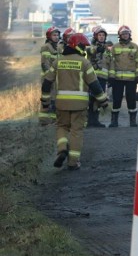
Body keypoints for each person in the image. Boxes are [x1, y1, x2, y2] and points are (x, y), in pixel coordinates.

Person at [41, 33, 109, 171]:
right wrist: (103, 102)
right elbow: (95, 85)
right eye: (83, 46)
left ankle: (61, 150)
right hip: (80, 105)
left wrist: (45, 101)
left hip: (61, 104)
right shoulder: (84, 62)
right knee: (76, 131)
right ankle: (73, 162)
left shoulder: (58, 62)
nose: (85, 49)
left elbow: (47, 83)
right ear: (77, 46)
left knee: (62, 127)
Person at [107, 25, 138, 127]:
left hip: (131, 79)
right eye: (123, 34)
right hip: (117, 79)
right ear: (120, 35)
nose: (125, 36)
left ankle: (133, 121)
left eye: (127, 34)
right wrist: (111, 76)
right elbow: (112, 63)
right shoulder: (114, 47)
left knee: (131, 99)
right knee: (116, 99)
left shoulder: (135, 47)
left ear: (129, 35)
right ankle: (114, 121)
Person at [84, 26, 109, 128]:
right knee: (91, 99)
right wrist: (98, 48)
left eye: (103, 35)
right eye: (99, 35)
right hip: (92, 78)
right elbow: (90, 50)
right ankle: (89, 121)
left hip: (103, 78)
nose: (102, 37)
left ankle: (96, 121)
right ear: (95, 36)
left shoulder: (107, 48)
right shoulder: (91, 46)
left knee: (100, 100)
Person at [38, 26, 62, 125]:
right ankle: (43, 120)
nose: (56, 37)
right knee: (46, 99)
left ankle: (53, 119)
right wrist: (49, 78)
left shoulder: (58, 47)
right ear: (49, 36)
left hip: (55, 78)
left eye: (57, 35)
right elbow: (45, 64)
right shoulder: (46, 47)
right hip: (48, 78)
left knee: (54, 99)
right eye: (54, 35)